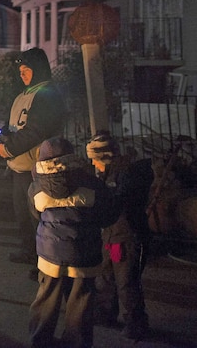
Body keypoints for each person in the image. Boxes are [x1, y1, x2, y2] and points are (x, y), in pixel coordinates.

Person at [28, 137, 119, 348]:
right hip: (84, 253)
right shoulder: (91, 183)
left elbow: (34, 214)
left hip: (50, 252)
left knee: (46, 299)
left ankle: (40, 342)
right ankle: (76, 343)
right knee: (81, 302)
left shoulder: (36, 187)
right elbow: (107, 216)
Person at [0, 47, 66, 266]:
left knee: (39, 220)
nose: (22, 74)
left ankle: (43, 264)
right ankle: (29, 253)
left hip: (38, 169)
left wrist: (8, 149)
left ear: (38, 69)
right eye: (20, 70)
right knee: (23, 216)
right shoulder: (24, 95)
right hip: (19, 168)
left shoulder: (47, 95)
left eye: (27, 69)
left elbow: (35, 131)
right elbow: (14, 126)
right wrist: (0, 143)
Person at [86, 132, 153, 340]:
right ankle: (105, 313)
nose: (94, 165)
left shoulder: (126, 175)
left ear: (105, 156)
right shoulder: (108, 175)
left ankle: (136, 322)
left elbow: (121, 205)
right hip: (111, 236)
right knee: (105, 277)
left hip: (127, 237)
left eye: (95, 160)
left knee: (126, 282)